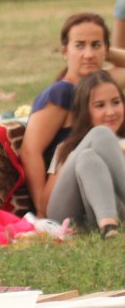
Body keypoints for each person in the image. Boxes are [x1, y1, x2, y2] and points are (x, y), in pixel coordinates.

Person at [20, 13, 125, 215]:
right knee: (98, 138)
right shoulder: (62, 92)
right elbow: (29, 151)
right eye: (79, 46)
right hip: (65, 189)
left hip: (98, 184)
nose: (88, 54)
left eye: (96, 45)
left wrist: (105, 53)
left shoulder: (101, 84)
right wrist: (42, 208)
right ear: (64, 51)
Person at [45, 71, 125, 239]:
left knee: (92, 148)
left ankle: (108, 224)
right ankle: (108, 226)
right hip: (71, 216)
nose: (110, 112)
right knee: (88, 157)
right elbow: (44, 204)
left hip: (118, 209)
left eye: (116, 102)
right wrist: (73, 163)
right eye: (100, 105)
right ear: (85, 112)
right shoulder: (67, 148)